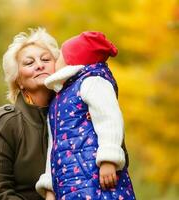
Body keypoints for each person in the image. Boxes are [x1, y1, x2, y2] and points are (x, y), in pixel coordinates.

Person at [36, 32, 136, 199]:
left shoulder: (92, 81)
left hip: (97, 179)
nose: (56, 60)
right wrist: (50, 187)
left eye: (61, 55)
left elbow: (109, 119)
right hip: (68, 186)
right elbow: (53, 147)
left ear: (72, 60)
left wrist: (109, 159)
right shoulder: (59, 99)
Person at [0, 27, 60, 200]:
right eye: (29, 63)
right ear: (18, 80)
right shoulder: (8, 123)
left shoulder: (77, 113)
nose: (39, 65)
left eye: (45, 59)